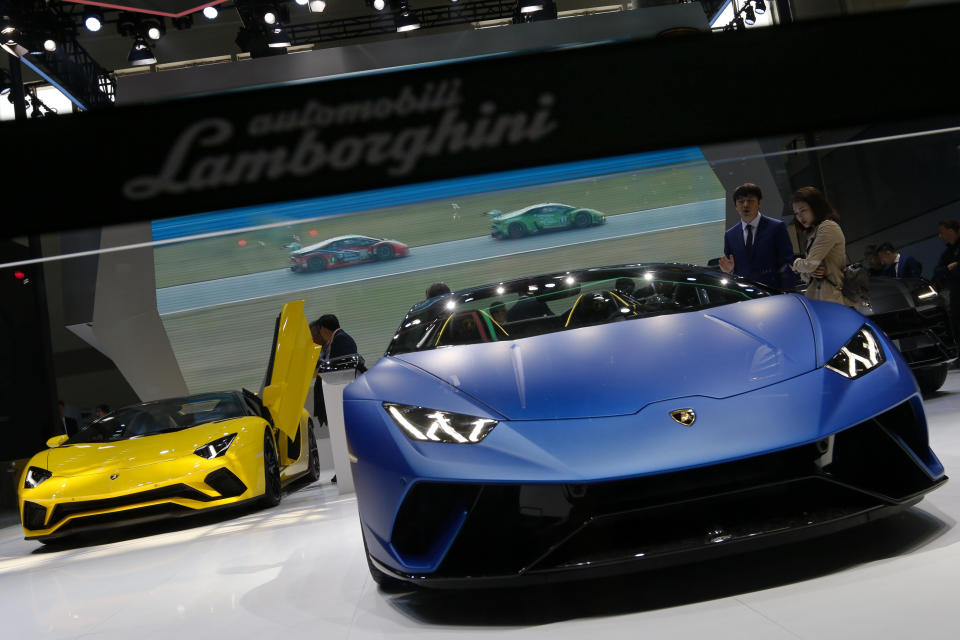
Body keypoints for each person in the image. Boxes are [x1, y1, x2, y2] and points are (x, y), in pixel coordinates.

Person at [310, 314, 361, 484]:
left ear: (324, 329)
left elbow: (342, 367)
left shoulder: (342, 340)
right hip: (334, 394)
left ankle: (347, 469)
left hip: (339, 394)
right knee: (340, 434)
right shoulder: (337, 340)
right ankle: (342, 468)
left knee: (345, 434)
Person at [718, 183, 795, 289]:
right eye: (741, 201)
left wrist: (787, 292)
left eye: (750, 200)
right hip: (746, 295)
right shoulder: (730, 235)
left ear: (759, 203)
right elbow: (730, 268)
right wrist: (730, 271)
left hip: (775, 292)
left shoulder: (776, 227)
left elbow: (787, 263)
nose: (745, 205)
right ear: (736, 206)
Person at [790, 186, 851, 305]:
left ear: (815, 207)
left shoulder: (827, 227)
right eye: (796, 213)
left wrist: (797, 263)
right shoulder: (814, 232)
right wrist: (809, 272)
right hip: (823, 298)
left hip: (834, 298)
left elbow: (809, 265)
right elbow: (808, 273)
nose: (800, 217)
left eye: (803, 210)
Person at [933, 219, 960, 342]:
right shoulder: (947, 253)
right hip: (956, 294)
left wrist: (950, 270)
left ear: (950, 231)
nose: (940, 236)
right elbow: (937, 271)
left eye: (941, 232)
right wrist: (950, 268)